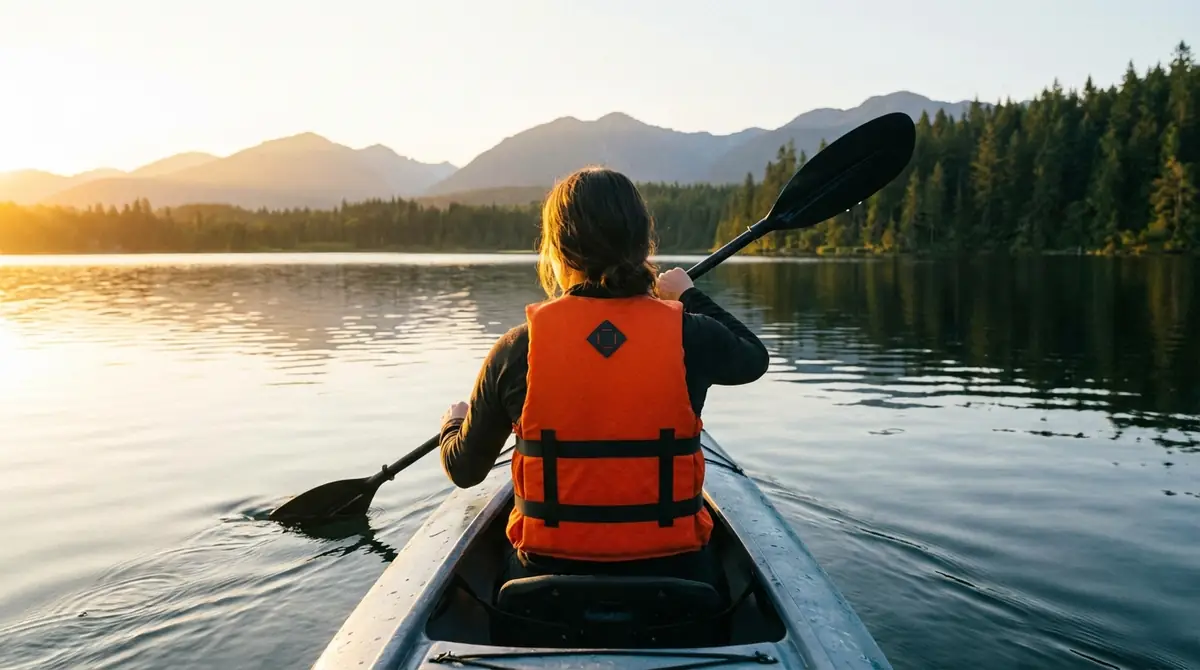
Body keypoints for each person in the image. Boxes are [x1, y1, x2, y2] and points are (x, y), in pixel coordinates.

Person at [438, 166, 769, 593]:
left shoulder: (518, 349)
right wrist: (688, 295)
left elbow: (464, 470)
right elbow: (753, 358)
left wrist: (452, 423)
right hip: (679, 578)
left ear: (556, 252)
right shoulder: (690, 332)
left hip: (542, 582)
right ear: (642, 245)